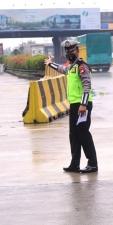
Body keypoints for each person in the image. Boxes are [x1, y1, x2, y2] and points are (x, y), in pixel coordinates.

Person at [44, 40, 98, 173]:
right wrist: (50, 64)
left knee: (84, 134)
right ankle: (75, 164)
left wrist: (83, 104)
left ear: (77, 50)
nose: (69, 53)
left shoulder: (81, 67)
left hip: (82, 106)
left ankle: (93, 163)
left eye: (71, 51)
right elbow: (62, 69)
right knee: (74, 135)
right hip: (74, 106)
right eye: (67, 51)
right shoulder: (71, 67)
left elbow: (87, 85)